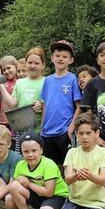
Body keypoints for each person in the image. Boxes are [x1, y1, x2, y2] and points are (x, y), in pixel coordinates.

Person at [53, 112, 105, 209]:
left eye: (88, 133)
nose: (84, 137)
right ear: (76, 134)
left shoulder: (103, 153)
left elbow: (103, 180)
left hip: (94, 203)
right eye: (80, 133)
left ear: (96, 133)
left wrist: (89, 176)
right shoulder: (72, 152)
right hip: (74, 201)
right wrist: (76, 176)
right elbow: (68, 179)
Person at [7, 132, 69, 209]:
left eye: (34, 150)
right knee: (10, 197)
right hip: (38, 195)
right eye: (26, 151)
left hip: (56, 196)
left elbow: (49, 192)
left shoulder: (49, 164)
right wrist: (18, 180)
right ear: (22, 152)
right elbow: (11, 186)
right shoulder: (20, 165)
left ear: (41, 150)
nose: (30, 154)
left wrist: (28, 184)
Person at [40, 40, 81, 172]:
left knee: (68, 165)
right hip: (47, 131)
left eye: (64, 56)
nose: (60, 59)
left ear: (71, 60)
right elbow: (45, 104)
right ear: (52, 58)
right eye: (57, 56)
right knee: (52, 166)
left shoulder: (73, 79)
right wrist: (42, 127)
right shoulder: (47, 80)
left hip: (64, 130)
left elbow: (79, 106)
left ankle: (69, 192)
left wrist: (71, 127)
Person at [0, 47, 46, 139]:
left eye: (36, 63)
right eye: (30, 63)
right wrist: (0, 85)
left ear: (42, 65)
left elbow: (52, 103)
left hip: (40, 130)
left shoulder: (47, 82)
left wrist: (42, 104)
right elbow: (12, 104)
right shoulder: (20, 82)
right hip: (21, 130)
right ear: (25, 64)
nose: (32, 66)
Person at [0, 55, 18, 134]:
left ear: (16, 67)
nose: (6, 71)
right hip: (3, 119)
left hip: (16, 119)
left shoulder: (20, 81)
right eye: (4, 70)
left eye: (9, 68)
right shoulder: (3, 82)